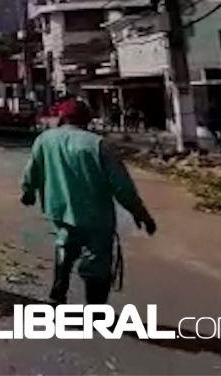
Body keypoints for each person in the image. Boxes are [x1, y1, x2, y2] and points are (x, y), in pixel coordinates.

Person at [21, 98, 156, 305]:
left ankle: (57, 297)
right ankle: (95, 311)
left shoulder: (45, 140)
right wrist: (140, 213)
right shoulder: (98, 145)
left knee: (64, 248)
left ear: (62, 118)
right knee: (97, 261)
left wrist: (28, 193)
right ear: (87, 120)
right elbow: (122, 186)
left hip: (60, 211)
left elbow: (32, 173)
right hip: (96, 217)